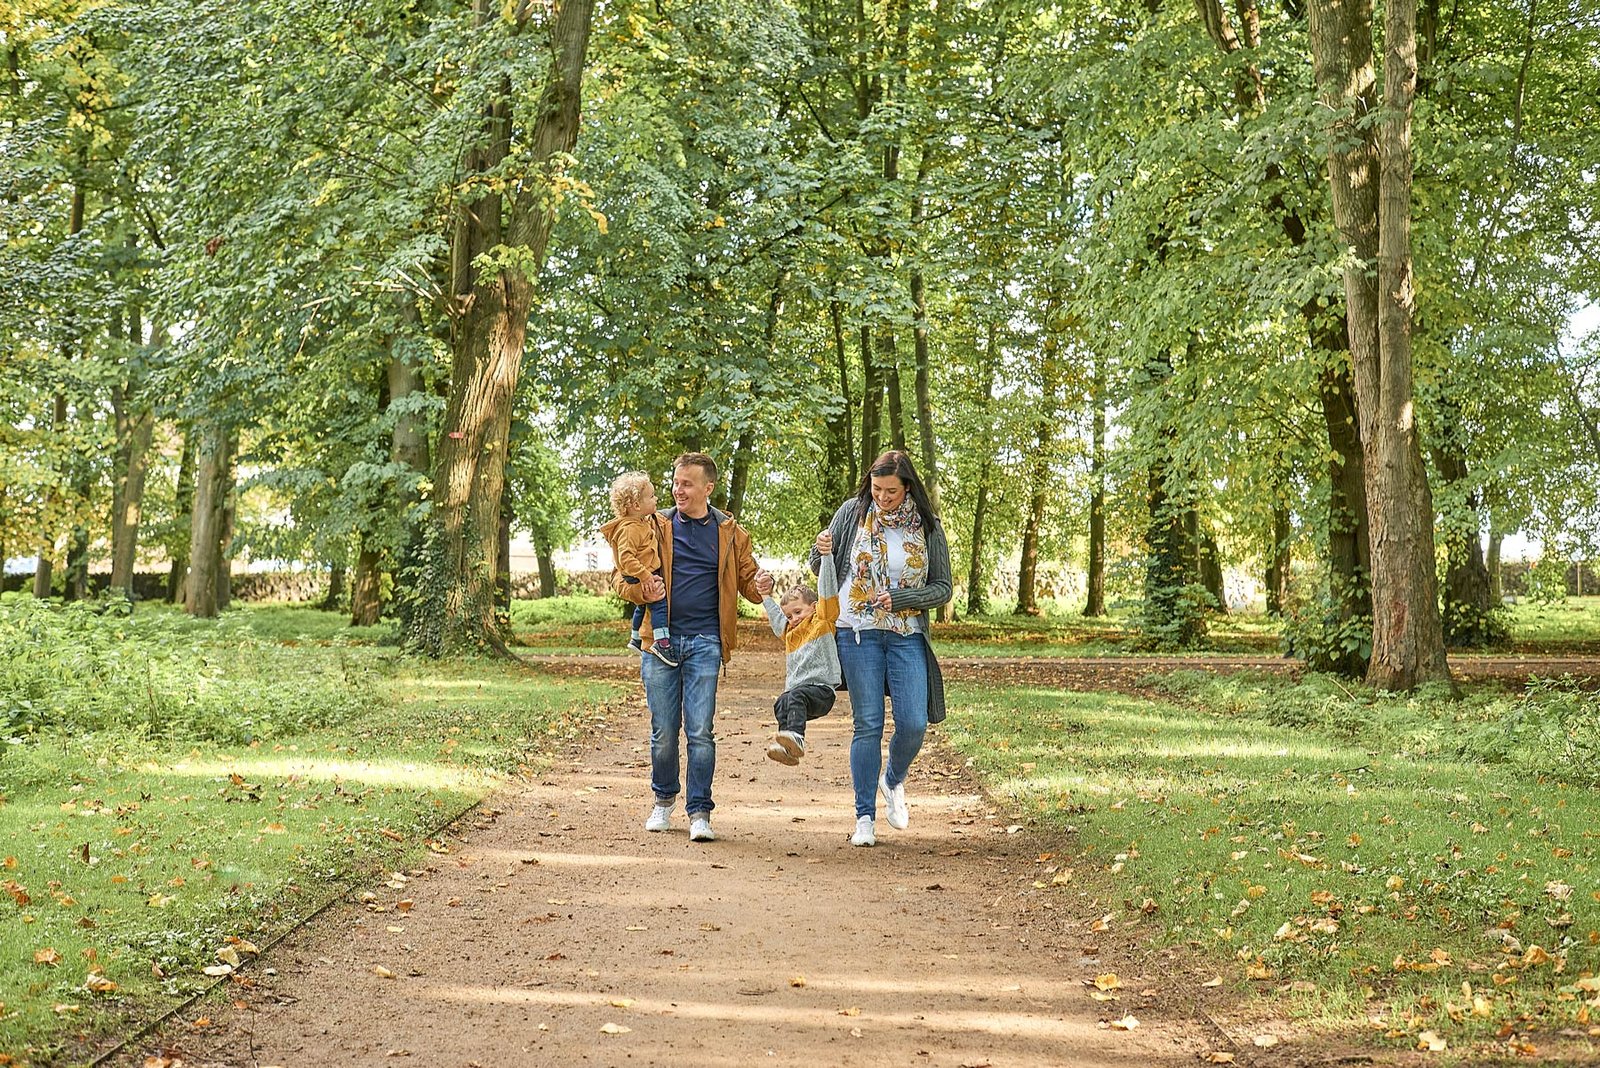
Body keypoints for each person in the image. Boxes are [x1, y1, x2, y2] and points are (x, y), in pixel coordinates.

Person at [614, 453, 773, 844]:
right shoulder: (654, 525)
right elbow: (619, 578)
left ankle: (700, 811)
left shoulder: (730, 533)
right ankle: (663, 801)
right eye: (675, 482)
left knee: (701, 730)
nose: (677, 490)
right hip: (659, 641)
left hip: (706, 641)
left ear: (708, 488)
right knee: (664, 730)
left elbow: (749, 583)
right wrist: (640, 589)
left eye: (687, 483)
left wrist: (762, 585)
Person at [811, 450, 951, 847]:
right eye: (876, 489)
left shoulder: (928, 526)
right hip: (857, 632)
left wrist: (904, 599)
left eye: (891, 491)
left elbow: (944, 588)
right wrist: (821, 547)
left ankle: (892, 780)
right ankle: (864, 817)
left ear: (907, 487)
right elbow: (819, 565)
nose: (882, 497)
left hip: (906, 633)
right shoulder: (851, 513)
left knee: (913, 722)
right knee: (867, 724)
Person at [761, 536, 841, 765]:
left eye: (798, 612)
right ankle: (787, 749)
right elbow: (777, 619)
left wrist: (826, 556)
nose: (793, 619)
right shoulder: (790, 632)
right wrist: (766, 595)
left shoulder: (823, 620)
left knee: (794, 696)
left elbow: (827, 590)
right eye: (789, 615)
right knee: (782, 702)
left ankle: (797, 738)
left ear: (813, 607)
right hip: (801, 696)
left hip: (821, 691)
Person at [599, 471, 676, 667]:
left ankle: (635, 637)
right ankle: (661, 642)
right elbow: (625, 558)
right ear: (636, 505)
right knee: (658, 600)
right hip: (640, 574)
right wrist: (645, 576)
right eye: (651, 496)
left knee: (642, 606)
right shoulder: (630, 529)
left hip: (643, 572)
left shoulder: (642, 522)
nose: (656, 498)